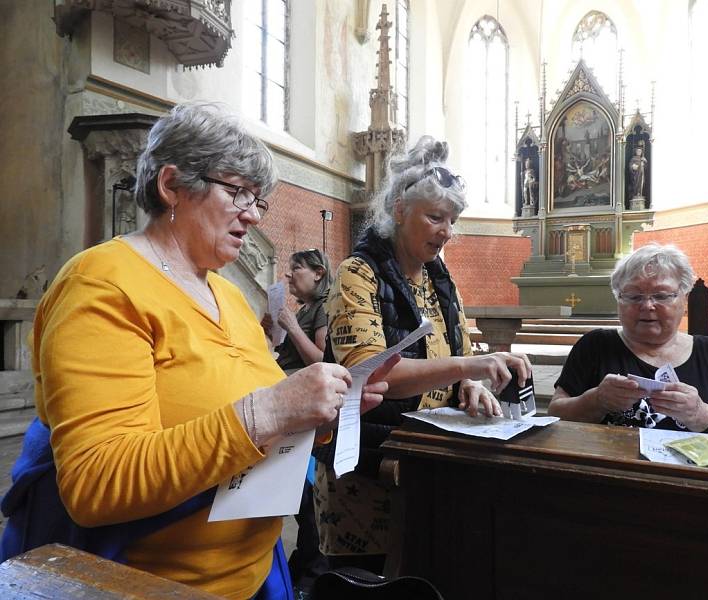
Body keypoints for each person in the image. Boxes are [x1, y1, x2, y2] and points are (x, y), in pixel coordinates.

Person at [0, 102, 394, 600]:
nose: (253, 215)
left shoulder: (228, 294)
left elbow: (250, 425)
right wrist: (272, 408)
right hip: (143, 582)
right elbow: (96, 482)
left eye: (259, 200)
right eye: (238, 193)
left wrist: (317, 416)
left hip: (256, 574)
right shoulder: (101, 284)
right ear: (172, 187)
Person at [315, 135, 533, 574]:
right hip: (371, 463)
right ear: (398, 210)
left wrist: (470, 384)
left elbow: (461, 351)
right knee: (371, 579)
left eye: (452, 219)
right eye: (435, 217)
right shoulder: (358, 273)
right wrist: (467, 367)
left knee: (429, 571)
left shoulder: (440, 277)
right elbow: (371, 374)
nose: (447, 231)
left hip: (428, 457)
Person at [548, 243, 708, 435]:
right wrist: (596, 400)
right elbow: (555, 414)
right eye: (634, 296)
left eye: (661, 295)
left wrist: (702, 415)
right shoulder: (595, 346)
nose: (647, 306)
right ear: (618, 300)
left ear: (683, 299)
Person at [262, 249, 333, 596]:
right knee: (294, 496)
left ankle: (310, 572)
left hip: (305, 415)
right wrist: (272, 330)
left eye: (297, 270)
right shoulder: (306, 310)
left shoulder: (322, 309)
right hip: (288, 408)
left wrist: (290, 325)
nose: (290, 276)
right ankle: (301, 568)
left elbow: (320, 360)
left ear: (319, 273)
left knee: (305, 498)